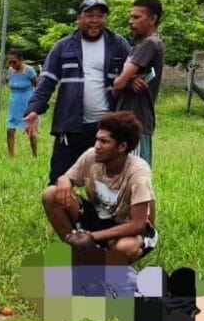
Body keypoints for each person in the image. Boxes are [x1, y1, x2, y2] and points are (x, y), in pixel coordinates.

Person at [24, 0, 131, 183]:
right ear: (79, 18)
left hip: (107, 129)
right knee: (58, 183)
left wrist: (136, 79)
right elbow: (47, 81)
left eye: (100, 15)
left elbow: (134, 70)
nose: (95, 20)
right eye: (89, 15)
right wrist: (34, 109)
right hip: (71, 125)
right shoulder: (63, 46)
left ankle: (98, 213)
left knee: (109, 183)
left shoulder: (119, 44)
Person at [40, 111, 158, 263]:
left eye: (104, 141)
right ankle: (77, 251)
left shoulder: (138, 172)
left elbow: (138, 225)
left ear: (121, 146)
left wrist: (91, 237)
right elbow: (67, 179)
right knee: (51, 194)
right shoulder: (91, 156)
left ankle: (101, 260)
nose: (97, 146)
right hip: (98, 217)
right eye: (96, 140)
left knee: (125, 248)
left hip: (127, 227)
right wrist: (64, 179)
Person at [113, 0, 164, 165]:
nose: (130, 21)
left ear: (152, 19)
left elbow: (118, 84)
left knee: (134, 179)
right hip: (131, 122)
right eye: (130, 16)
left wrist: (123, 81)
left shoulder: (150, 43)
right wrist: (131, 79)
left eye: (136, 17)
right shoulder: (140, 45)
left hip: (135, 122)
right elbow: (124, 81)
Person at [6, 49, 38, 157]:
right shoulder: (10, 70)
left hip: (27, 102)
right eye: (9, 62)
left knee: (30, 130)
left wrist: (35, 104)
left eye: (14, 61)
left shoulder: (29, 70)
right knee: (10, 129)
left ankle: (34, 155)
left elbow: (37, 86)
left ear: (21, 60)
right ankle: (10, 155)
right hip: (14, 102)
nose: (11, 64)